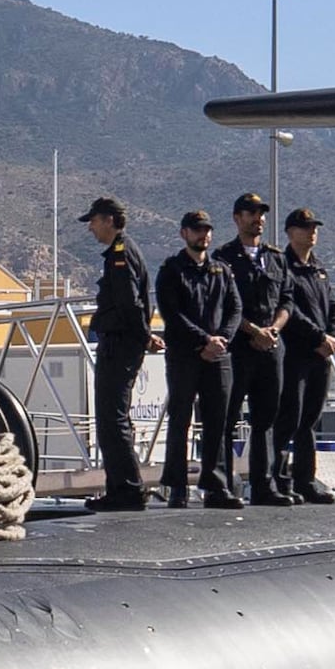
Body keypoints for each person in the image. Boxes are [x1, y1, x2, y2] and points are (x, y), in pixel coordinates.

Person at [154, 207, 235, 505]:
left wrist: (221, 339)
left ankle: (216, 485)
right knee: (180, 420)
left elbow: (234, 309)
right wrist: (203, 340)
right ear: (184, 233)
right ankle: (176, 486)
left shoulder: (222, 271)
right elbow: (171, 314)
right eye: (197, 229)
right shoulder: (171, 270)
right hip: (185, 356)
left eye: (207, 230)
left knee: (218, 420)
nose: (204, 235)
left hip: (218, 355)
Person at [216, 192, 291, 505]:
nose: (257, 218)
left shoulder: (275, 258)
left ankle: (264, 485)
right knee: (227, 419)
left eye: (261, 213)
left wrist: (273, 329)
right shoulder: (223, 257)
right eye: (250, 213)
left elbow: (287, 299)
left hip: (271, 347)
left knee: (265, 421)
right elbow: (222, 304)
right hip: (239, 348)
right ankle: (224, 486)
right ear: (237, 218)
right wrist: (253, 330)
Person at [79, 196, 149, 511]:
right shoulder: (123, 251)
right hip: (124, 342)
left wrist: (142, 336)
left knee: (112, 418)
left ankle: (128, 489)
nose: (91, 228)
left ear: (108, 220)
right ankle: (121, 486)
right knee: (114, 418)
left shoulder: (120, 254)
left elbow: (129, 302)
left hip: (119, 344)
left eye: (93, 221)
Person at [276, 207, 335, 504]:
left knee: (309, 422)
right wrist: (318, 337)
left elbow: (334, 308)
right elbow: (290, 311)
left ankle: (305, 479)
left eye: (314, 227)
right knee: (288, 418)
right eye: (305, 228)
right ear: (290, 232)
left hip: (320, 356)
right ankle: (276, 479)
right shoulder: (283, 267)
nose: (311, 232)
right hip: (296, 355)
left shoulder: (318, 269)